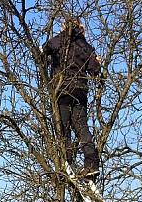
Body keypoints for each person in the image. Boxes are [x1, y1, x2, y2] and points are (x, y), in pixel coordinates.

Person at [43, 17, 101, 178]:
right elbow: (94, 71)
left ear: (63, 27)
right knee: (82, 127)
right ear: (80, 28)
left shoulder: (57, 41)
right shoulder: (85, 47)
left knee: (62, 128)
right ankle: (91, 163)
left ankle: (65, 162)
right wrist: (97, 62)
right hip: (80, 92)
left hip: (61, 90)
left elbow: (42, 52)